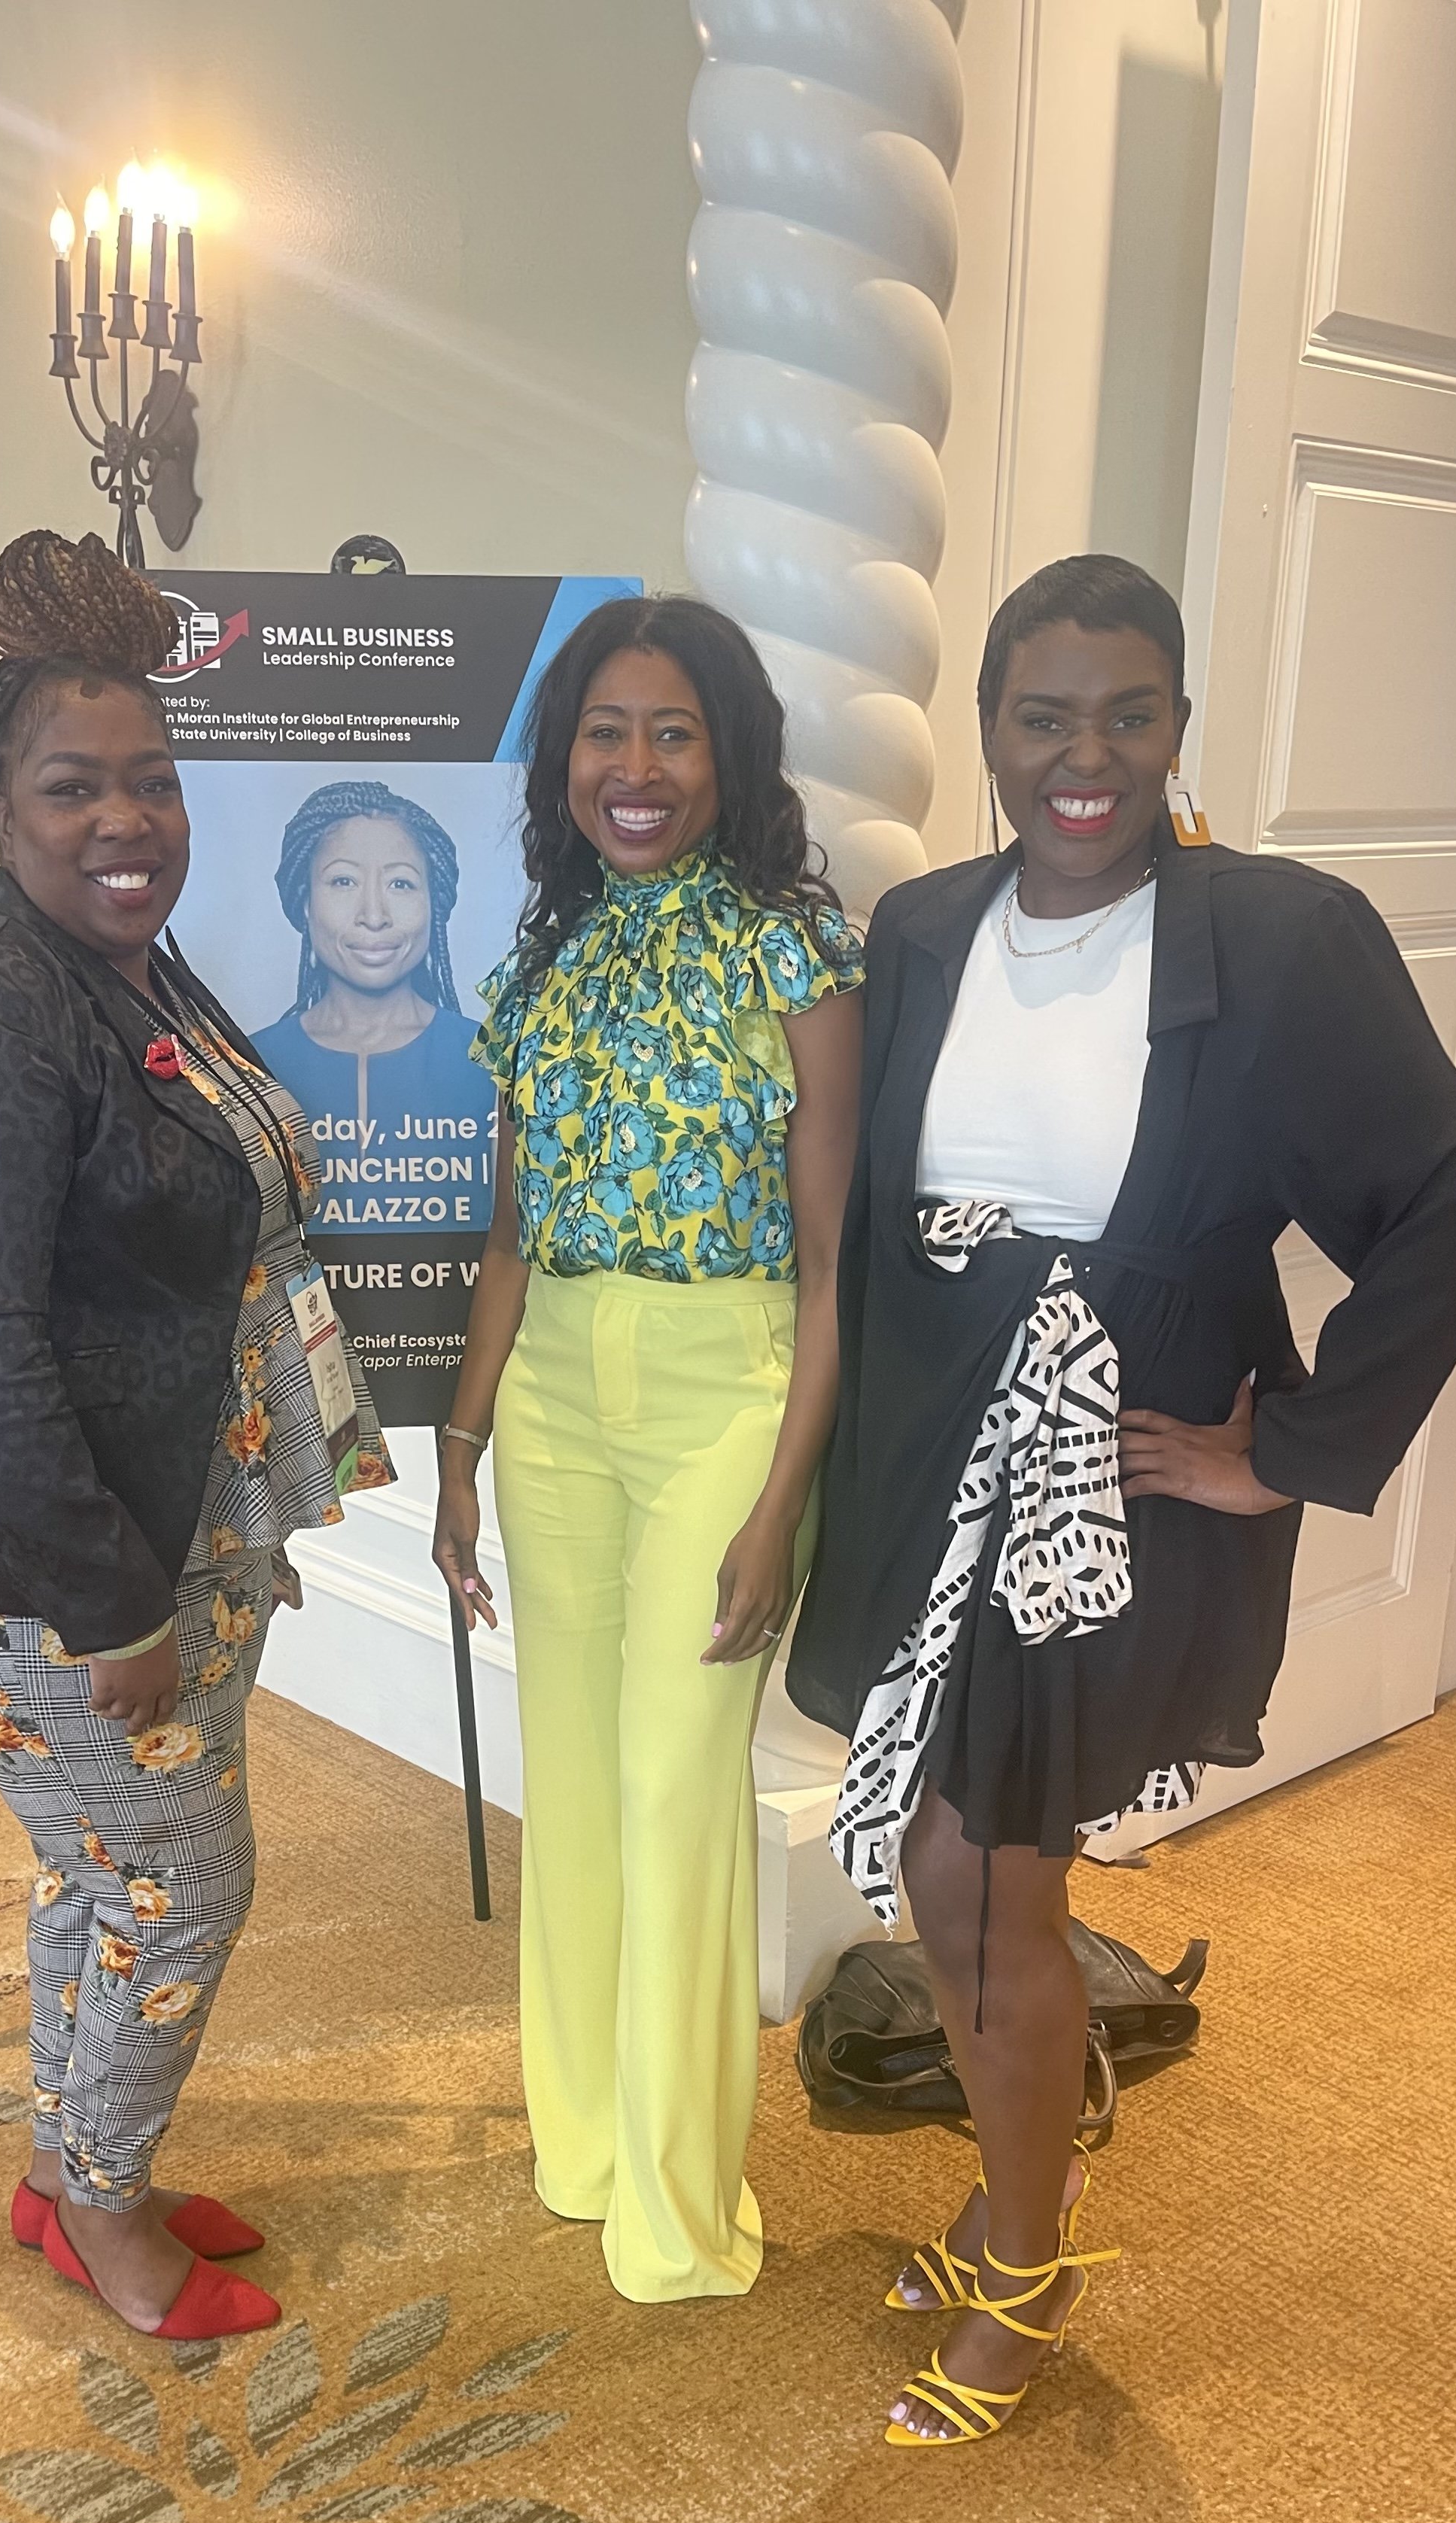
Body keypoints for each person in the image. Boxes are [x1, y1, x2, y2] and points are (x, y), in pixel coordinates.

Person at [789, 552, 1456, 2445]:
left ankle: (1024, 2266)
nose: (1083, 757)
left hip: (1106, 1470)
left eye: (1129, 714)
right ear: (990, 735)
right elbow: (870, 1219)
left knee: (991, 1884)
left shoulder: (1281, 935)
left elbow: (1446, 1200)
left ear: (1179, 725)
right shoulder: (922, 927)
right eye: (1041, 717)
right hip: (931, 1450)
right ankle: (1027, 2179)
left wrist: (1295, 1453)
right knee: (949, 1866)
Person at [0, 530, 391, 2343]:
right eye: (73, 786)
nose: (124, 819)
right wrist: (105, 1610)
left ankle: (69, 2167)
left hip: (179, 1515)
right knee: (181, 1885)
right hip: (48, 1562)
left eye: (151, 781)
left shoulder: (133, 973)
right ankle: (103, 2214)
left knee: (111, 1870)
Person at [432, 594, 865, 2301]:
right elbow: (510, 1240)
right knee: (579, 1779)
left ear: (728, 755)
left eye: (672, 732)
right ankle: (585, 2144)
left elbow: (838, 1267)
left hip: (724, 1388)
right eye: (603, 733)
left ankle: (680, 2217)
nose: (634, 767)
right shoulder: (539, 959)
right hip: (548, 1397)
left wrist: (784, 1497)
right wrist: (460, 1442)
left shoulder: (795, 956)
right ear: (562, 765)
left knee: (681, 1789)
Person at [251, 780, 472, 1138]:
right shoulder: (252, 1067)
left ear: (434, 903)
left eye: (400, 884)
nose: (373, 915)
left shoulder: (489, 1062)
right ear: (306, 903)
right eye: (343, 881)